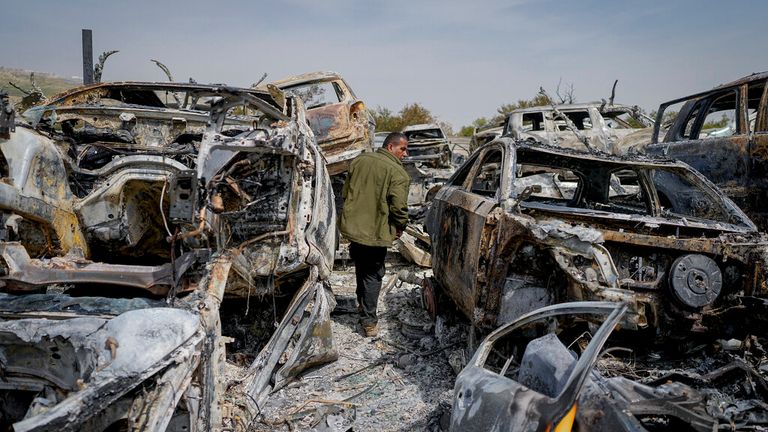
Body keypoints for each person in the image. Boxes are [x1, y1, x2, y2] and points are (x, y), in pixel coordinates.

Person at [340, 132, 410, 337]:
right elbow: (399, 207)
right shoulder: (398, 173)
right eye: (402, 148)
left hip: (354, 228)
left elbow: (345, 193)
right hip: (375, 231)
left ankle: (362, 306)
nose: (405, 153)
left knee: (362, 267)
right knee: (373, 274)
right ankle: (369, 322)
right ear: (390, 147)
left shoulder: (359, 161)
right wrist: (400, 226)